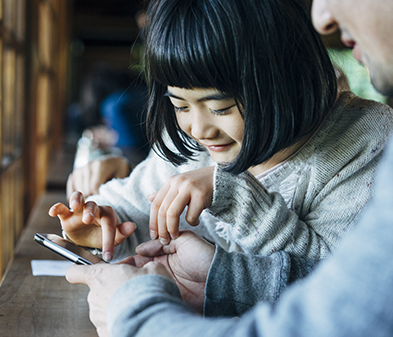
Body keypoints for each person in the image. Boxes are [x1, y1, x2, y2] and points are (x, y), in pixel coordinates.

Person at [65, 0, 393, 336]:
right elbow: (136, 203)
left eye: (220, 107)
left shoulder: (366, 144)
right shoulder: (195, 143)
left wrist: (237, 196)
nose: (198, 127)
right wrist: (103, 224)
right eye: (179, 104)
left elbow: (341, 295)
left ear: (286, 76)